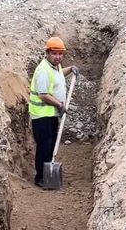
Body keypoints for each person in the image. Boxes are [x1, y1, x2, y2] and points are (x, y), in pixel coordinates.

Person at [28, 36, 78, 187]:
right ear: (47, 53)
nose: (58, 57)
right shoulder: (43, 70)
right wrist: (60, 105)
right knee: (44, 146)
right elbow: (43, 95)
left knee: (50, 145)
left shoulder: (54, 67)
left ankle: (48, 174)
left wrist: (70, 69)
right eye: (54, 54)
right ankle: (40, 178)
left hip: (50, 115)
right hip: (42, 116)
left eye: (60, 54)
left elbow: (57, 76)